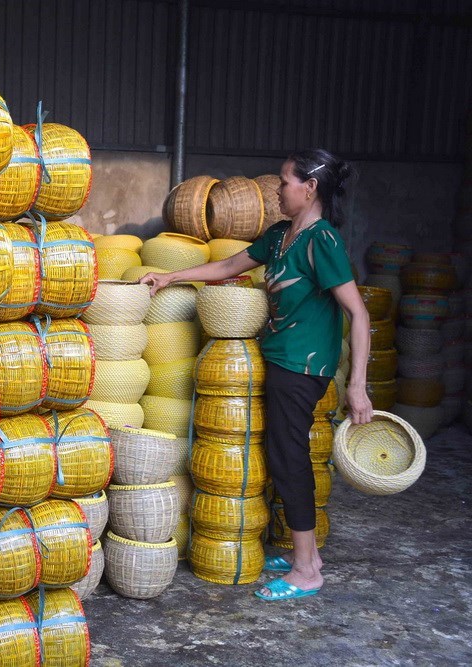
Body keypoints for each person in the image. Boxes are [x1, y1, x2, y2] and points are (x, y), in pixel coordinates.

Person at [141, 149, 373, 601]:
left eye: (285, 183)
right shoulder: (283, 235)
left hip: (303, 366)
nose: (277, 190)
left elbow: (359, 315)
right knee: (281, 455)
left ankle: (307, 569)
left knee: (289, 459)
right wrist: (171, 277)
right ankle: (309, 555)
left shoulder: (321, 241)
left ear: (310, 189)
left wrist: (359, 385)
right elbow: (229, 267)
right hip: (280, 360)